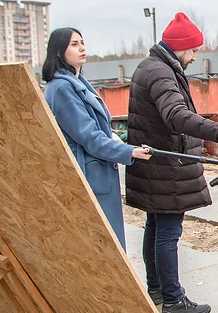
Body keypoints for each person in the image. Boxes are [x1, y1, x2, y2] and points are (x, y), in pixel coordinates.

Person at [126, 12, 218, 313]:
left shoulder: (152, 67)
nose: (195, 56)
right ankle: (173, 300)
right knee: (167, 232)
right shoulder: (161, 73)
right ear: (180, 47)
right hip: (167, 167)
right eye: (194, 50)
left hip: (156, 165)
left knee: (155, 227)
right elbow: (176, 116)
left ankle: (157, 290)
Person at [42, 28, 151, 250]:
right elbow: (89, 137)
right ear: (58, 51)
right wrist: (127, 152)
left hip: (98, 172)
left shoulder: (77, 81)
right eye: (74, 44)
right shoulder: (62, 87)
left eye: (82, 42)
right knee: (102, 249)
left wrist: (121, 143)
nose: (82, 47)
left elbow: (101, 129)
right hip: (88, 176)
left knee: (108, 247)